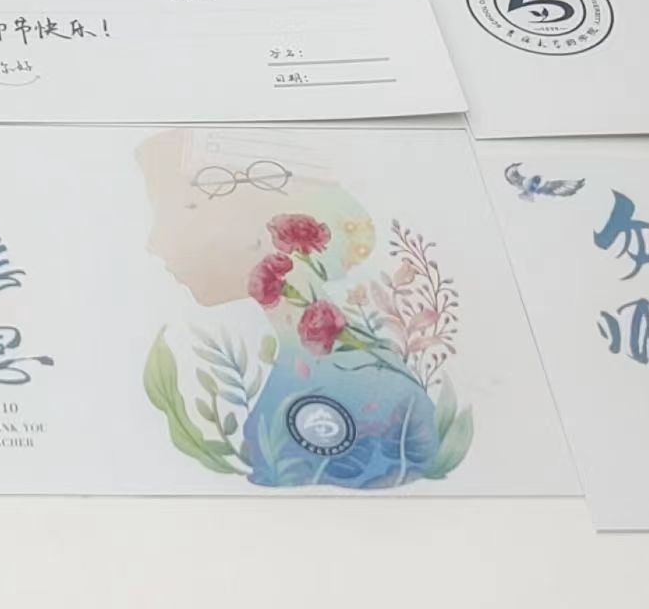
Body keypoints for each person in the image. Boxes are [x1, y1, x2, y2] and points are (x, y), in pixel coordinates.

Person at [135, 131, 443, 489]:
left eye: (171, 211)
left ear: (255, 226)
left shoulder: (366, 387)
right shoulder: (325, 366)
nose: (154, 243)